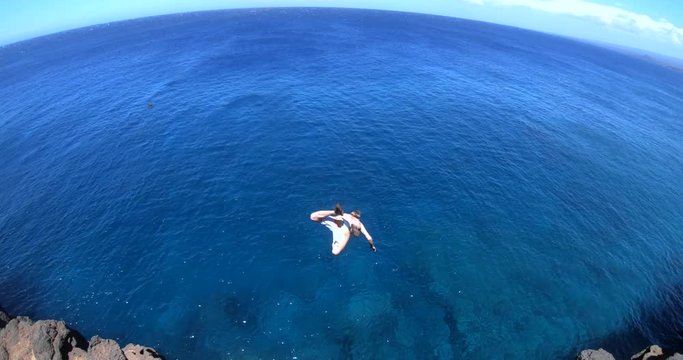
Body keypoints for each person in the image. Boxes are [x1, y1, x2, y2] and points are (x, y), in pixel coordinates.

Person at [309, 203, 376, 255]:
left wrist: (337, 214)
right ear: (358, 217)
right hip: (344, 230)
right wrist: (372, 246)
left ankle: (334, 212)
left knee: (313, 216)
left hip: (337, 220)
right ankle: (350, 232)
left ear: (352, 213)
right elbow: (369, 237)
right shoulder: (359, 223)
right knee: (335, 252)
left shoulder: (345, 215)